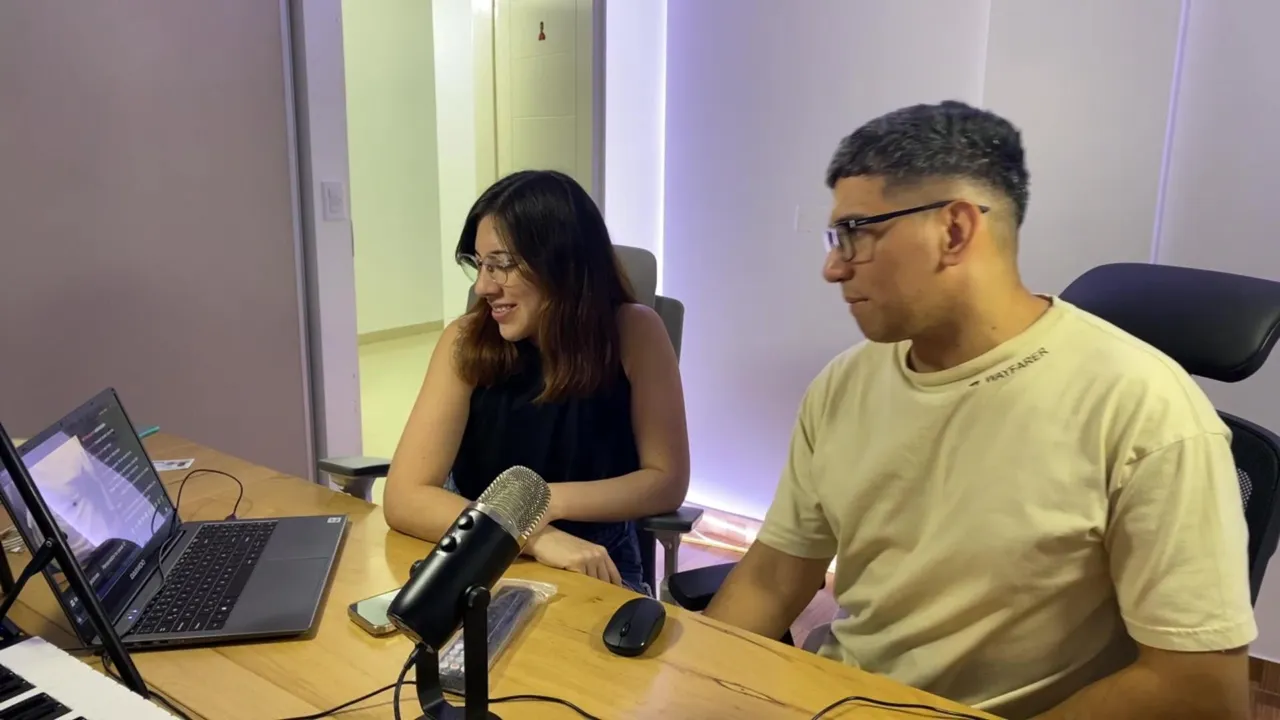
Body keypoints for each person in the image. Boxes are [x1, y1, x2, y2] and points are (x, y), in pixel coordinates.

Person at [703, 101, 1254, 719]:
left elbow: (1199, 687)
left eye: (855, 232)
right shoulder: (845, 384)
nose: (833, 267)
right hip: (842, 700)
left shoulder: (1143, 409)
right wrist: (691, 688)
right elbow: (774, 577)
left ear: (955, 230)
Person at [383, 170, 690, 594]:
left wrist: (541, 502)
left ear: (562, 262)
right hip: (480, 546)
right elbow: (404, 496)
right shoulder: (465, 340)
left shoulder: (635, 332)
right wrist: (531, 534)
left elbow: (667, 481)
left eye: (501, 265)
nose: (483, 286)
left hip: (598, 558)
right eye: (480, 264)